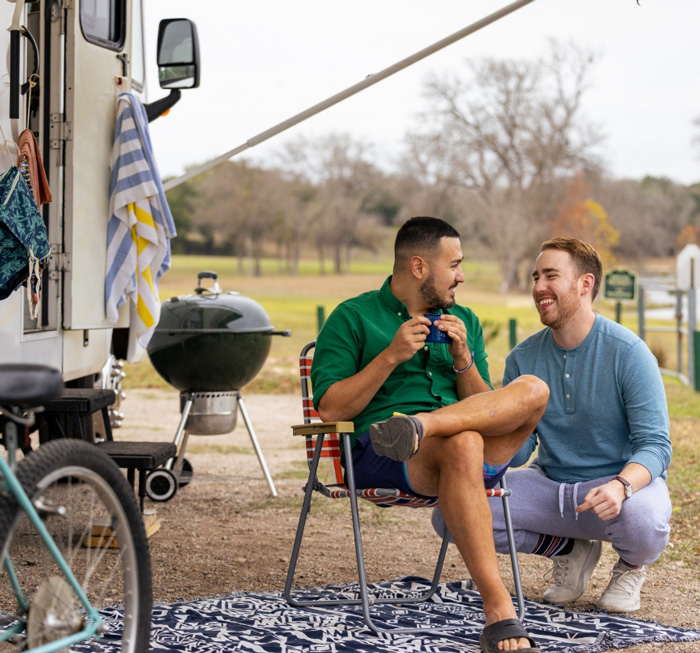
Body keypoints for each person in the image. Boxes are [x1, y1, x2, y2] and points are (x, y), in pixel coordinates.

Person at [312, 216, 550, 653]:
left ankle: (422, 425)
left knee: (534, 389)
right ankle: (499, 609)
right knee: (464, 442)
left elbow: (489, 410)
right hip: (381, 454)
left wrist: (463, 360)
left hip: (467, 450)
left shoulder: (465, 321)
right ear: (419, 267)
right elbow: (329, 408)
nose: (461, 275)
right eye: (454, 264)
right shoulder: (353, 316)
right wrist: (390, 356)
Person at [432, 237, 672, 613]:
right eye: (535, 276)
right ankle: (569, 549)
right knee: (450, 513)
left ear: (585, 284)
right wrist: (468, 378)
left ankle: (630, 566)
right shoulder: (523, 357)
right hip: (551, 488)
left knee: (644, 519)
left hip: (614, 491)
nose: (538, 287)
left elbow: (656, 445)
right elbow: (518, 451)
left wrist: (621, 486)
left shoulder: (629, 352)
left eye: (551, 276)